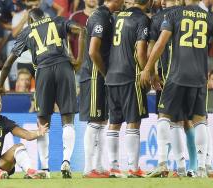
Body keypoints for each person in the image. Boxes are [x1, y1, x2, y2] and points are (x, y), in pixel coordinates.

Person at [141, 0, 213, 178]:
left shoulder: (173, 15)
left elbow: (160, 44)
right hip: (199, 78)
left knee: (165, 117)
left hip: (176, 75)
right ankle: (202, 167)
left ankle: (162, 163)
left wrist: (148, 68)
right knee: (200, 121)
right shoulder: (210, 17)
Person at [0, 8, 85, 179]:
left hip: (43, 71)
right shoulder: (58, 20)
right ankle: (66, 161)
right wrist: (79, 60)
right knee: (68, 119)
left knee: (43, 121)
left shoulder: (27, 31)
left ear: (30, 20)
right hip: (64, 68)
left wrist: (0, 84)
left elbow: (9, 62)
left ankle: (45, 169)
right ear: (44, 17)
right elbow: (82, 30)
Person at [148, 0, 199, 178]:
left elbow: (154, 46)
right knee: (183, 120)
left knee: (165, 117)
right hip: (190, 74)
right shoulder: (191, 15)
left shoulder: (158, 18)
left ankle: (163, 163)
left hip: (168, 74)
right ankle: (186, 167)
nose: (162, 1)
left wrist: (152, 72)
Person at [105, 0, 150, 178]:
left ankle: (114, 167)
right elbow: (140, 52)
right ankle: (133, 167)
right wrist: (147, 72)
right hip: (130, 76)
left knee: (114, 123)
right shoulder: (142, 19)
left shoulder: (116, 17)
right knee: (133, 120)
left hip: (111, 76)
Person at [79, 0, 123, 178]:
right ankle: (89, 168)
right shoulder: (100, 17)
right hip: (95, 75)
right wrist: (105, 73)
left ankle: (98, 165)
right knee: (95, 121)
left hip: (99, 75)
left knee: (102, 122)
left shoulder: (107, 16)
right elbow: (92, 51)